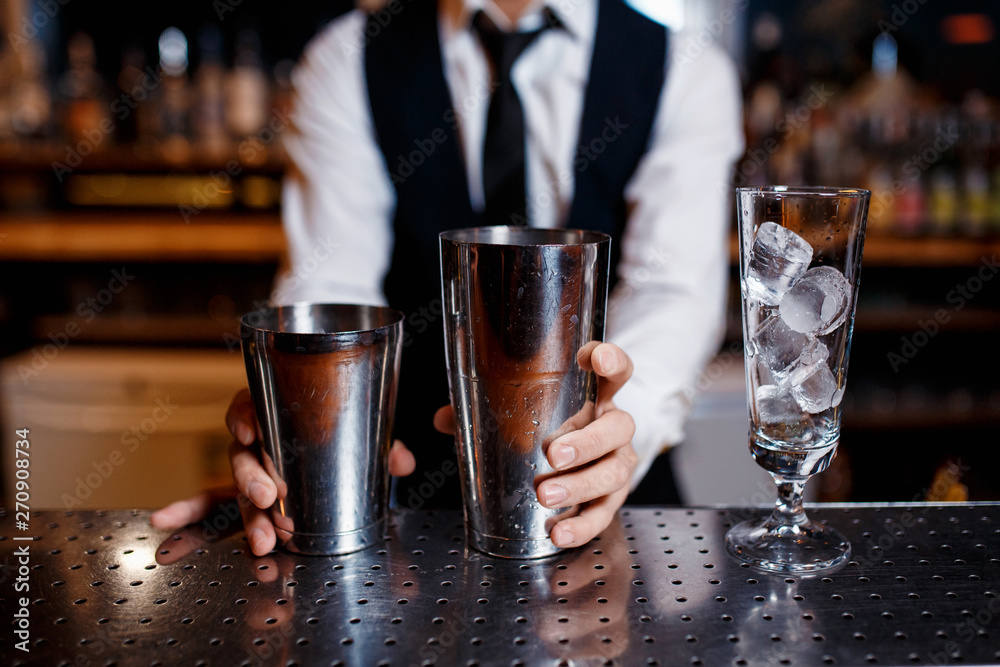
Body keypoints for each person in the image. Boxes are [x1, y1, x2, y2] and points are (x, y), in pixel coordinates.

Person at [152, 0, 743, 556]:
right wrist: (305, 427)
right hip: (407, 519)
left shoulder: (688, 71)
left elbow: (671, 295)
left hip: (615, 518)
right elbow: (332, 285)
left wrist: (606, 441)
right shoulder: (347, 58)